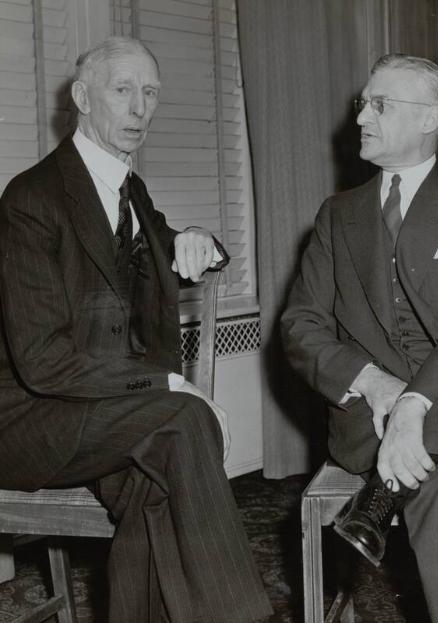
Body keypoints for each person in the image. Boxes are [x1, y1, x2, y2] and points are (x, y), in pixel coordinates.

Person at [0, 36, 272, 623]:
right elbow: (43, 362)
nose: (140, 108)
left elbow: (152, 248)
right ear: (82, 98)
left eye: (150, 93)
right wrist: (168, 384)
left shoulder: (130, 191)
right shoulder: (31, 199)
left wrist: (195, 239)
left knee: (156, 485)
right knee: (181, 419)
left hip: (99, 410)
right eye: (123, 91)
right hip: (30, 417)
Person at [281, 53, 438, 623]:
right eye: (363, 104)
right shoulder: (337, 215)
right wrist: (377, 386)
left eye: (380, 105)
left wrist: (415, 404)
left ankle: (383, 497)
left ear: (429, 119)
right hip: (369, 420)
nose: (361, 118)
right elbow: (300, 326)